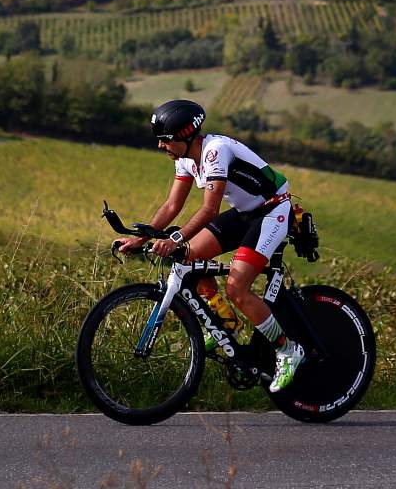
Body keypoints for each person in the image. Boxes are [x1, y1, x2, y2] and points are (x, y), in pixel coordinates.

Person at [114, 99, 305, 393]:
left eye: (165, 140)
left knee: (237, 287)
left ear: (185, 134)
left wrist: (174, 238)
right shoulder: (185, 158)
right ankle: (225, 321)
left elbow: (209, 211)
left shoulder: (215, 151)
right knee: (187, 256)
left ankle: (287, 350)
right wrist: (140, 238)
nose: (160, 146)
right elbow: (172, 204)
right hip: (245, 213)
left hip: (272, 210)